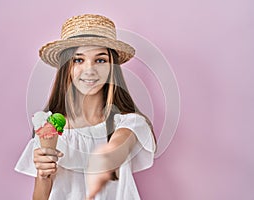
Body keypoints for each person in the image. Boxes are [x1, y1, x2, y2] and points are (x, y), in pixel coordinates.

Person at [15, 14, 156, 200]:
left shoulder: (129, 123)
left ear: (112, 67)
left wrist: (106, 158)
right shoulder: (50, 129)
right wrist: (43, 175)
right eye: (78, 60)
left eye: (100, 60)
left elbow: (117, 149)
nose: (89, 69)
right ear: (67, 67)